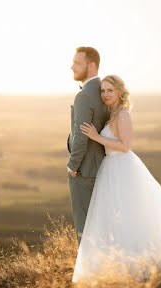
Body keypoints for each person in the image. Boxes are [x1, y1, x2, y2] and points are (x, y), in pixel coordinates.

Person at [71, 75, 161, 283]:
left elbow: (125, 146)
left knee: (129, 216)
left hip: (122, 168)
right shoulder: (112, 114)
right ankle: (116, 265)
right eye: (103, 91)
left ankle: (139, 266)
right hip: (109, 169)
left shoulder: (123, 115)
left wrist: (95, 137)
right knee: (113, 219)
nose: (105, 94)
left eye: (110, 90)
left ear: (120, 92)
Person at [67, 46, 110, 245]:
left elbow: (81, 136)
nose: (72, 67)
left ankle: (90, 270)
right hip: (104, 166)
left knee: (85, 226)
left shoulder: (84, 96)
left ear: (91, 65)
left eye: (77, 63)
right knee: (103, 222)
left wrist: (73, 166)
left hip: (85, 170)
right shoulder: (106, 91)